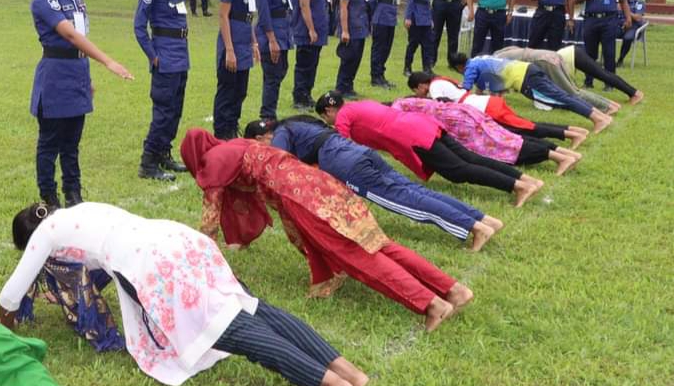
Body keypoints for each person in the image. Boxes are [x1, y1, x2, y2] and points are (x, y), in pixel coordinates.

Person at [0, 202, 368, 386]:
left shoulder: (44, 235)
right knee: (251, 306)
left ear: (29, 239)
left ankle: (328, 384)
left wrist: (5, 328)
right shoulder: (77, 211)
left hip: (155, 262)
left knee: (230, 329)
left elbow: (10, 295)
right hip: (178, 239)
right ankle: (347, 371)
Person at [181, 129, 474, 331]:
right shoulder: (236, 145)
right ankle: (454, 290)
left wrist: (198, 254)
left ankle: (431, 304)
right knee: (376, 242)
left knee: (357, 256)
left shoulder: (215, 162)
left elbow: (210, 219)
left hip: (300, 196)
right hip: (318, 181)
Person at [243, 118, 502, 249]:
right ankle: (482, 218)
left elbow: (277, 163)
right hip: (356, 151)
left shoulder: (279, 134)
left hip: (344, 162)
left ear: (260, 136)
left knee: (405, 200)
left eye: (257, 144)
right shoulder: (296, 125)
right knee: (413, 190)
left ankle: (474, 227)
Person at [31, 0, 134, 207]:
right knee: (50, 142)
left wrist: (86, 77)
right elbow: (70, 35)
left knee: (72, 144)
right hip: (55, 76)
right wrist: (108, 62)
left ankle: (73, 194)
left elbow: (81, 37)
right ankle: (49, 197)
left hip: (77, 73)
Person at [315, 93, 543, 207]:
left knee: (458, 170)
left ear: (328, 110)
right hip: (422, 125)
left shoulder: (343, 115)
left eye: (326, 118)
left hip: (412, 135)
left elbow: (343, 146)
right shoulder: (359, 103)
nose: (330, 123)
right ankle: (524, 179)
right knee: (469, 158)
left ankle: (517, 187)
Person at [390, 98, 582, 175]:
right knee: (509, 137)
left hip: (462, 121)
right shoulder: (408, 102)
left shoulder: (397, 109)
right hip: (467, 113)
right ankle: (563, 153)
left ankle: (560, 157)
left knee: (505, 145)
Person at [133, 0, 191, 181]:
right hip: (165, 57)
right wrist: (152, 55)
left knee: (176, 110)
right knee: (163, 112)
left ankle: (163, 154)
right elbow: (139, 25)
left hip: (181, 55)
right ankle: (148, 162)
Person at [407, 71, 589, 148]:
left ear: (420, 85)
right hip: (487, 103)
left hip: (484, 108)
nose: (420, 94)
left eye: (416, 90)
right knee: (525, 125)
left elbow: (442, 107)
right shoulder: (442, 79)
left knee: (524, 128)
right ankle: (572, 131)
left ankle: (571, 134)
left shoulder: (434, 87)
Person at [449, 53, 613, 133]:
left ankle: (598, 119)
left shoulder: (470, 68)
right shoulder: (480, 60)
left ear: (459, 67)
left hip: (526, 78)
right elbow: (483, 91)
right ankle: (601, 116)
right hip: (528, 69)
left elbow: (466, 90)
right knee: (564, 96)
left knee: (562, 100)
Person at [213, 0, 262, 138]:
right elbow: (224, 16)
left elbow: (248, 16)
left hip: (244, 42)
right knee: (228, 91)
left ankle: (232, 127)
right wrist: (229, 51)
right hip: (231, 44)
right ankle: (222, 133)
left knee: (240, 91)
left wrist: (254, 43)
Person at [493, 46, 621, 114]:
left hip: (543, 61)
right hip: (551, 55)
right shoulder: (500, 53)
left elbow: (501, 86)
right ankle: (610, 104)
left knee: (571, 93)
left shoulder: (494, 64)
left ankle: (607, 107)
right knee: (574, 89)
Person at [255, 0, 301, 120]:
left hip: (283, 35)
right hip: (271, 36)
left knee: (281, 70)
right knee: (273, 76)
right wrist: (272, 40)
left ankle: (269, 111)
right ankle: (268, 115)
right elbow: (264, 12)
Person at [576, 0, 632, 90]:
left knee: (609, 52)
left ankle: (610, 83)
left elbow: (623, 0)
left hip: (609, 20)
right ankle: (588, 81)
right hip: (591, 20)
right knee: (590, 53)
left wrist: (628, 18)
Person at [290, 0, 333, 111]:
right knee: (304, 65)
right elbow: (304, 4)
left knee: (313, 64)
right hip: (307, 30)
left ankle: (307, 95)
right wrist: (311, 28)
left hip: (318, 30)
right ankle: (299, 97)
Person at [332, 0, 375, 98]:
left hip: (361, 27)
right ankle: (341, 87)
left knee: (357, 58)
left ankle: (349, 86)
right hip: (351, 27)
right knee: (348, 58)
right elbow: (343, 7)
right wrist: (344, 30)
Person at [369, 0, 400, 89]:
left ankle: (381, 74)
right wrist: (375, 13)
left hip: (391, 13)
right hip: (382, 13)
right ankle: (375, 76)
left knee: (387, 47)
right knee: (379, 47)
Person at [403, 0, 438, 76]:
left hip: (426, 15)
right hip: (416, 14)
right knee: (413, 42)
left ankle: (427, 68)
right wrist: (408, 17)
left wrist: (431, 18)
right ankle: (407, 67)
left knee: (428, 43)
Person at [617, 0, 646, 68]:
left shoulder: (638, 2)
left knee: (628, 38)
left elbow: (638, 17)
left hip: (633, 27)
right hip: (619, 25)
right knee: (606, 34)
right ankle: (606, 59)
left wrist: (625, 10)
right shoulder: (618, 2)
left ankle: (620, 59)